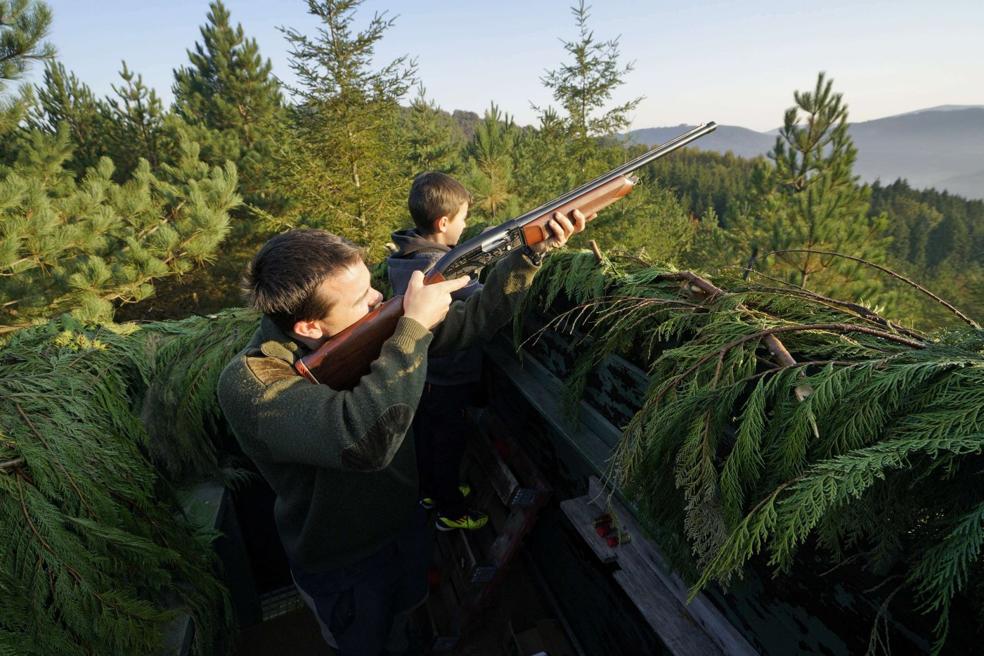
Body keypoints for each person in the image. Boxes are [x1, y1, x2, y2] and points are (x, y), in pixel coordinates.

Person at [217, 210, 587, 655]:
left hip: (406, 527)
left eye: (370, 284)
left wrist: (530, 253)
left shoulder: (363, 330)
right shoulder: (252, 382)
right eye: (360, 299)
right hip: (345, 565)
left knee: (409, 623)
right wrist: (411, 326)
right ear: (309, 328)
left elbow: (473, 322)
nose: (378, 298)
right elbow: (362, 440)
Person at [387, 172, 487, 532]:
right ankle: (451, 510)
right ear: (444, 223)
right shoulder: (437, 268)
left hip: (423, 374)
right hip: (448, 375)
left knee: (427, 438)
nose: (466, 225)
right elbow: (481, 302)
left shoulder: (405, 258)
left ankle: (431, 491)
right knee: (448, 442)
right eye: (463, 219)